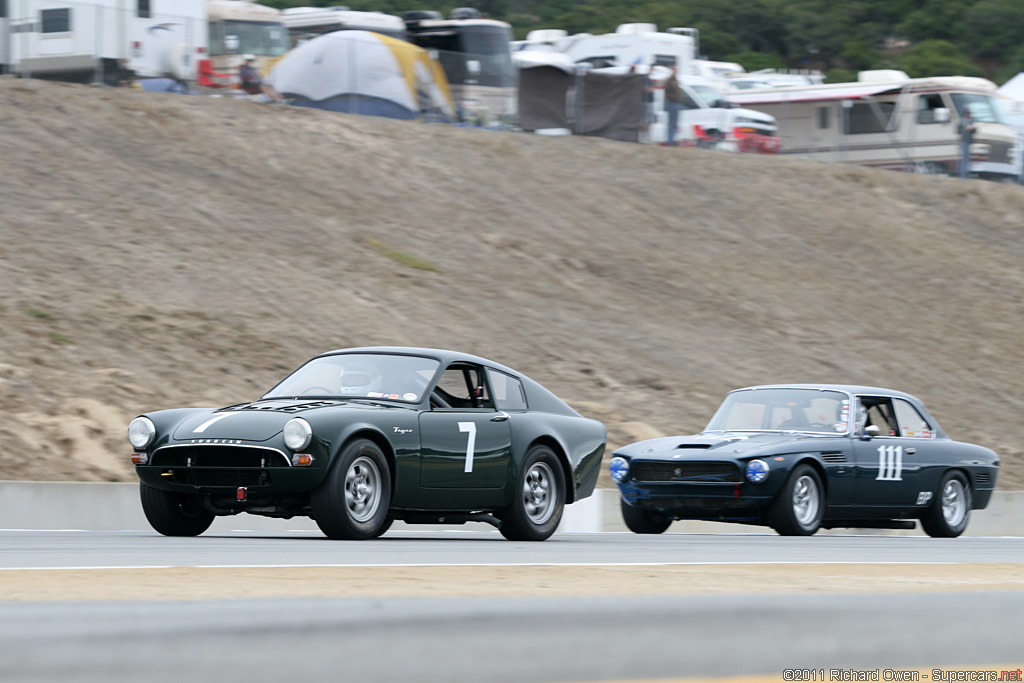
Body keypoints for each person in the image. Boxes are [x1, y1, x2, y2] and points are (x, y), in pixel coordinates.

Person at [661, 65, 686, 146]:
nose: (676, 72)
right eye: (675, 70)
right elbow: (667, 92)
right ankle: (670, 140)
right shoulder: (669, 81)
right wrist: (671, 98)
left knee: (675, 123)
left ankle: (673, 139)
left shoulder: (675, 80)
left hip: (677, 103)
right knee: (671, 123)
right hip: (672, 103)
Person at [958, 108, 976, 179]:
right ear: (965, 114)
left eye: (969, 113)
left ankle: (965, 175)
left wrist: (973, 128)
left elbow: (974, 131)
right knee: (964, 160)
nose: (969, 114)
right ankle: (963, 176)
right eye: (968, 113)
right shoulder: (963, 121)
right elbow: (959, 130)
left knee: (966, 160)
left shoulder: (970, 121)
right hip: (964, 142)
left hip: (968, 142)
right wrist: (968, 128)